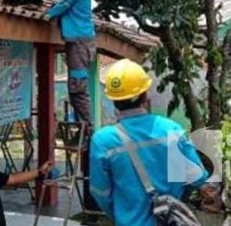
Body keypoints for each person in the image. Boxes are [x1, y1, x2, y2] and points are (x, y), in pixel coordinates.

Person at [89, 59, 209, 226]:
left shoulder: (103, 141)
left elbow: (100, 191)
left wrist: (122, 214)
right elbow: (198, 178)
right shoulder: (171, 130)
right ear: (145, 94)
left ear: (113, 98)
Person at [5, 0, 96, 130]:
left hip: (81, 42)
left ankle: (88, 129)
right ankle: (86, 127)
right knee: (75, 89)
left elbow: (63, 4)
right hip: (76, 41)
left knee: (77, 88)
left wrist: (45, 16)